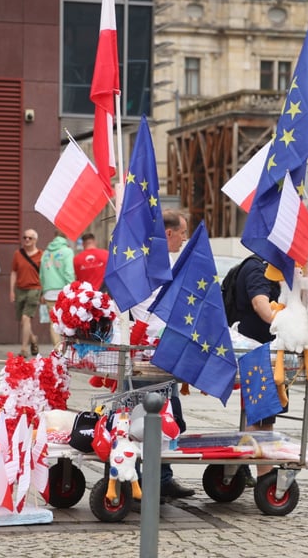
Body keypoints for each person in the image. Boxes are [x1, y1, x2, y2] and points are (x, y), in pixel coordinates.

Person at [129, 209, 194, 499]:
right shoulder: (153, 266)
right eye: (181, 232)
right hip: (148, 353)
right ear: (168, 233)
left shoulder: (163, 263)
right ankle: (147, 479)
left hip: (164, 352)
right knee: (151, 419)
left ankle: (161, 477)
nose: (184, 238)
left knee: (170, 417)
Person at [232, 254, 281, 484]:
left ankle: (243, 464)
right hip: (258, 351)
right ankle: (265, 474)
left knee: (257, 412)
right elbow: (260, 303)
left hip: (257, 349)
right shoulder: (259, 268)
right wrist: (285, 325)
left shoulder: (259, 265)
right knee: (262, 414)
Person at [10, 229, 43, 358]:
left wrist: (43, 292)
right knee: (22, 321)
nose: (27, 240)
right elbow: (14, 272)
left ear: (35, 240)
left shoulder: (41, 254)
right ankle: (33, 339)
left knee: (26, 318)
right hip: (20, 289)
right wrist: (11, 291)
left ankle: (24, 349)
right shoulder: (18, 254)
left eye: (30, 238)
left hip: (34, 289)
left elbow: (44, 275)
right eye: (25, 238)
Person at [40, 231, 75, 348]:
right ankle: (67, 348)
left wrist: (43, 290)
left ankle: (57, 349)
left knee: (54, 322)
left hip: (49, 291)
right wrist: (72, 289)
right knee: (66, 320)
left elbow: (41, 274)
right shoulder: (67, 251)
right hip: (64, 291)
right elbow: (68, 272)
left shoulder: (45, 253)